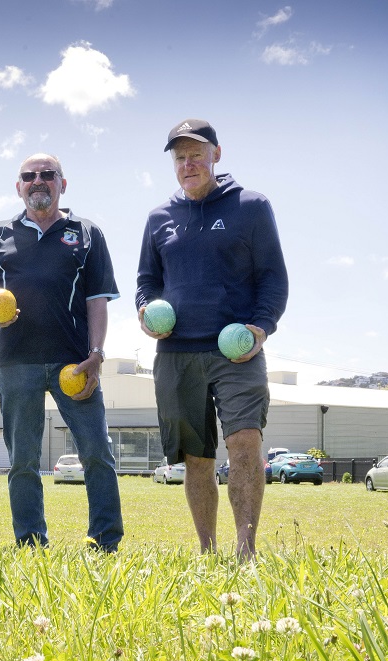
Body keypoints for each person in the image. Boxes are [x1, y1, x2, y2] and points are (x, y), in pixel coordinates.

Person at [135, 119, 289, 560]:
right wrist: (145, 310)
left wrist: (262, 327)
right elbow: (147, 281)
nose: (188, 164)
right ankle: (207, 552)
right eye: (180, 157)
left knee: (244, 445)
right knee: (197, 460)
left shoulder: (251, 206)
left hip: (236, 353)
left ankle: (246, 551)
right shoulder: (159, 217)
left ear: (216, 155)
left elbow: (273, 277)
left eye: (196, 154)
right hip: (177, 353)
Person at [0, 153, 123, 551]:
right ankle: (31, 542)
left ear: (62, 183)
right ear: (18, 186)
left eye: (47, 175)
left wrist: (97, 354)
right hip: (15, 361)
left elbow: (97, 301)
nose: (38, 181)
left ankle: (106, 541)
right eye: (29, 176)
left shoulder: (87, 233)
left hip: (74, 360)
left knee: (97, 452)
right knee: (22, 460)